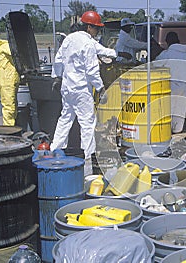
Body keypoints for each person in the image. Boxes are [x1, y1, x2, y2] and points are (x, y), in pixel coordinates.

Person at [50, 11, 114, 163]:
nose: (97, 32)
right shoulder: (87, 43)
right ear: (89, 27)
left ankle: (55, 150)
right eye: (97, 28)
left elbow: (58, 60)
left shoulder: (69, 39)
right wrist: (100, 88)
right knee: (87, 123)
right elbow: (91, 70)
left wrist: (57, 76)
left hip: (67, 88)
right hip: (81, 90)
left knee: (65, 119)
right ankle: (87, 157)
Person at [155, 31, 186, 133]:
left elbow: (155, 64)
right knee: (180, 107)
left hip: (170, 85)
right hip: (183, 84)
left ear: (167, 42)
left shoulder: (167, 54)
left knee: (169, 108)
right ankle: (178, 129)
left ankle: (167, 131)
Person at [0, 39, 20, 126]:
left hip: (10, 81)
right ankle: (9, 131)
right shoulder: (7, 46)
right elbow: (17, 55)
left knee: (13, 105)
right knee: (9, 108)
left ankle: (12, 127)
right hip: (6, 82)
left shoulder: (8, 46)